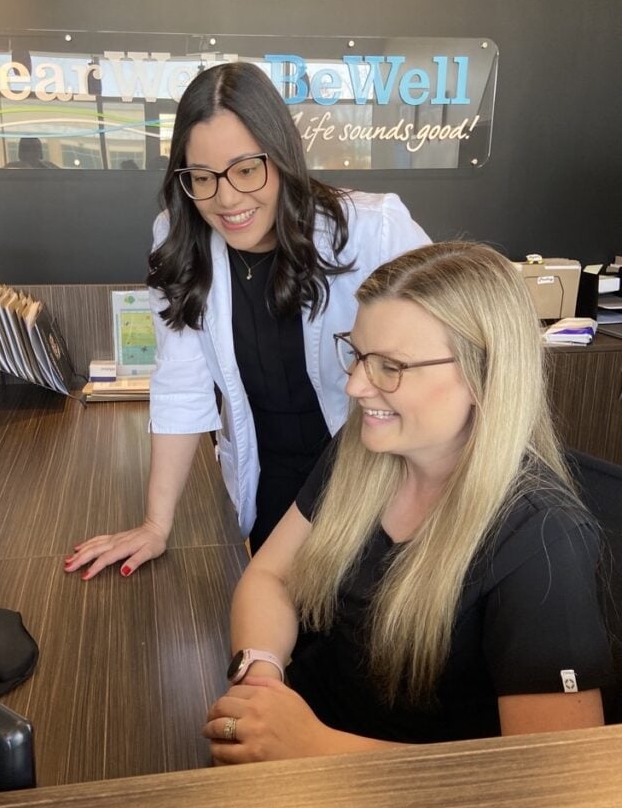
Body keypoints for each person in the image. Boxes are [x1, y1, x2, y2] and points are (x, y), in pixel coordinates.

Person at [202, 241, 613, 762]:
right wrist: (262, 680)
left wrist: (312, 747)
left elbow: (551, 776)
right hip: (300, 744)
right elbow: (270, 575)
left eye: (390, 367)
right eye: (356, 355)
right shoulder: (362, 452)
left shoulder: (542, 541)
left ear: (483, 374)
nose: (354, 386)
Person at [65, 61, 428, 580]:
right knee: (286, 629)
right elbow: (182, 384)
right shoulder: (178, 236)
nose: (227, 198)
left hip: (379, 480)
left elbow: (455, 360)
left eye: (246, 169)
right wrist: (154, 524)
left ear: (281, 158)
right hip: (274, 482)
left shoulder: (374, 230)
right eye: (202, 177)